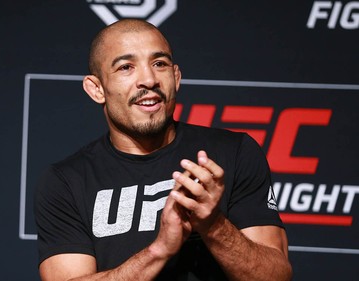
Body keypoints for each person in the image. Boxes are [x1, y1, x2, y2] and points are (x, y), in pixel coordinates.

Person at [34, 19, 292, 281]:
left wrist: (213, 225)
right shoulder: (66, 181)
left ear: (176, 77)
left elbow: (276, 276)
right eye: (126, 67)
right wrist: (159, 250)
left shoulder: (233, 153)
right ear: (96, 88)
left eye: (159, 64)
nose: (148, 79)